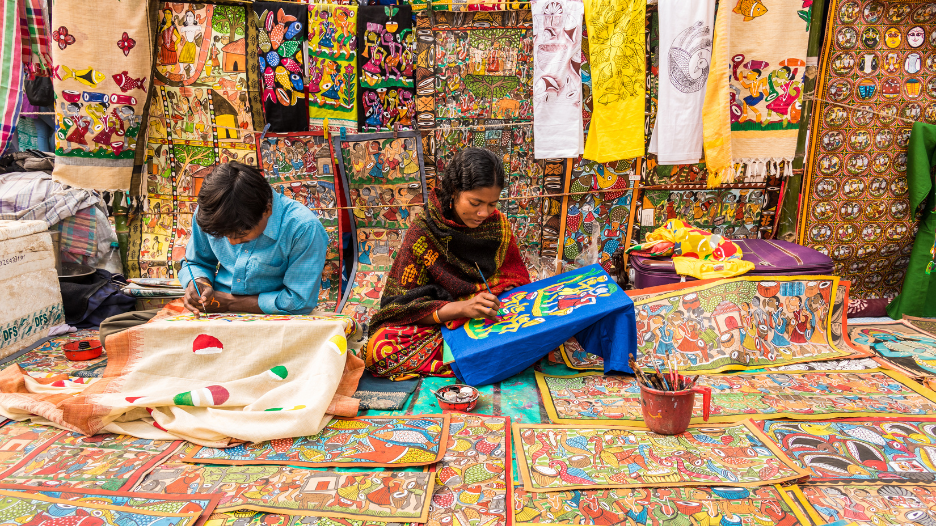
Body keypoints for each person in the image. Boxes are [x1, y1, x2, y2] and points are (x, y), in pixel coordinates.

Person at [98, 162, 327, 346]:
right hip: (214, 313)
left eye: (241, 233)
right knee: (112, 331)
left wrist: (230, 303)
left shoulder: (303, 228)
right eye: (223, 235)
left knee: (304, 350)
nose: (231, 241)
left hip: (273, 321)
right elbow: (196, 261)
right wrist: (198, 283)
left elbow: (298, 302)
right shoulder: (212, 213)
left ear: (267, 209)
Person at [364, 148, 531, 380]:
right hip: (442, 325)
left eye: (492, 204)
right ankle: (491, 360)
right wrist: (463, 308)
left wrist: (496, 301)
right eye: (475, 203)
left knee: (539, 326)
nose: (483, 213)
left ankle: (478, 359)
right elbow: (401, 308)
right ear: (454, 191)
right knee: (380, 349)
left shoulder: (498, 226)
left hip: (491, 321)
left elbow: (517, 281)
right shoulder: (424, 230)